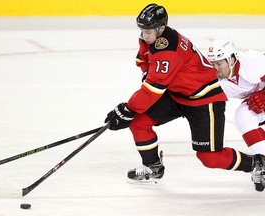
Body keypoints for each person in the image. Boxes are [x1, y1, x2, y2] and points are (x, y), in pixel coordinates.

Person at [104, 3, 257, 191]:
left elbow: (152, 91)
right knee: (139, 122)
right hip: (177, 95)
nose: (144, 36)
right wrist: (146, 75)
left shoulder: (168, 50)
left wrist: (127, 108)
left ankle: (256, 164)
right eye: (142, 30)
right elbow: (143, 59)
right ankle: (153, 167)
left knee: (209, 158)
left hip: (204, 100)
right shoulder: (152, 38)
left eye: (148, 31)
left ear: (161, 28)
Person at [206, 39, 265, 191]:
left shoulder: (252, 61)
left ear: (231, 59)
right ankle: (263, 162)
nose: (215, 68)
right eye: (212, 64)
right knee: (243, 115)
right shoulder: (215, 81)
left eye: (219, 63)